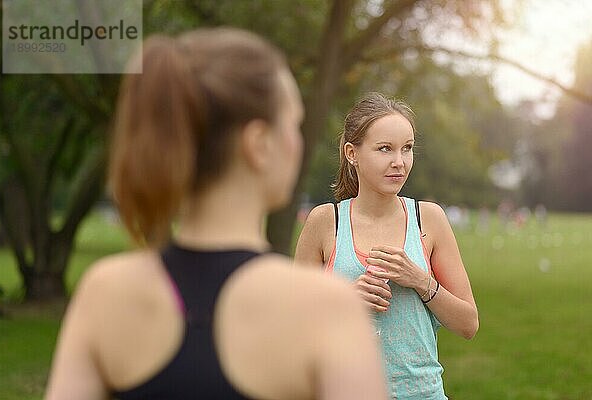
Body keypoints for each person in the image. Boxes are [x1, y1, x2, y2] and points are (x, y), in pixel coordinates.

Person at [44, 29, 387, 400]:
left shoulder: (106, 294)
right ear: (258, 145)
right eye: (293, 124)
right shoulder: (327, 309)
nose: (297, 142)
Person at [295, 92, 479, 399]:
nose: (399, 162)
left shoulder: (429, 220)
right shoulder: (325, 223)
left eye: (407, 149)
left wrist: (420, 280)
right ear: (352, 153)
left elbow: (468, 325)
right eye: (385, 149)